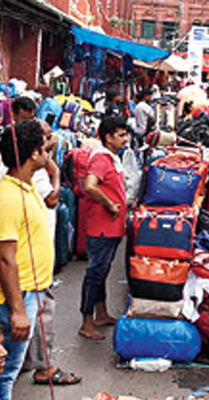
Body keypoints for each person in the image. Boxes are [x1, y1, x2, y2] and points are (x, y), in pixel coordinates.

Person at [0, 121, 54, 400]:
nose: (49, 149)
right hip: (12, 298)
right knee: (4, 374)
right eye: (44, 145)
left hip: (27, 294)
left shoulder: (25, 188)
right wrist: (17, 311)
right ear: (33, 153)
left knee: (6, 372)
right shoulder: (8, 198)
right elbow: (6, 260)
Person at [23, 120, 80, 386]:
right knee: (42, 305)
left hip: (34, 246)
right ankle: (43, 367)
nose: (51, 143)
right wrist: (54, 170)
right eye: (46, 139)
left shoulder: (20, 169)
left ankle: (26, 360)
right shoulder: (35, 171)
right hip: (35, 249)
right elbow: (52, 199)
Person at [78, 116, 129, 340]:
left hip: (110, 227)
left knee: (102, 270)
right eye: (120, 135)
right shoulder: (101, 159)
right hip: (102, 227)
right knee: (95, 272)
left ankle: (101, 313)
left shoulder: (111, 158)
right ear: (108, 138)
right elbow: (90, 186)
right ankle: (86, 322)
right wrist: (109, 204)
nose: (125, 139)